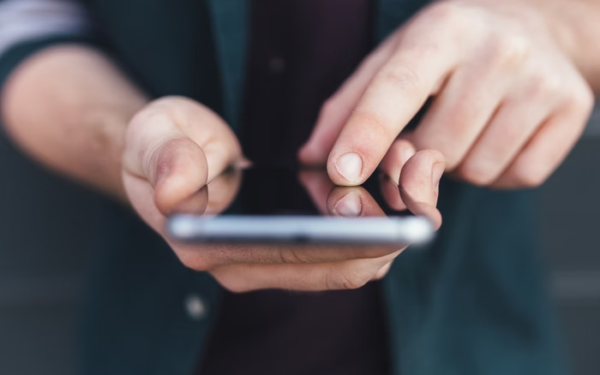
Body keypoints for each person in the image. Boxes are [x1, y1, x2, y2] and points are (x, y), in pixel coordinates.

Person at [0, 0, 597, 374]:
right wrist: (131, 144)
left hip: (473, 339)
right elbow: (29, 22)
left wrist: (556, 26)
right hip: (152, 340)